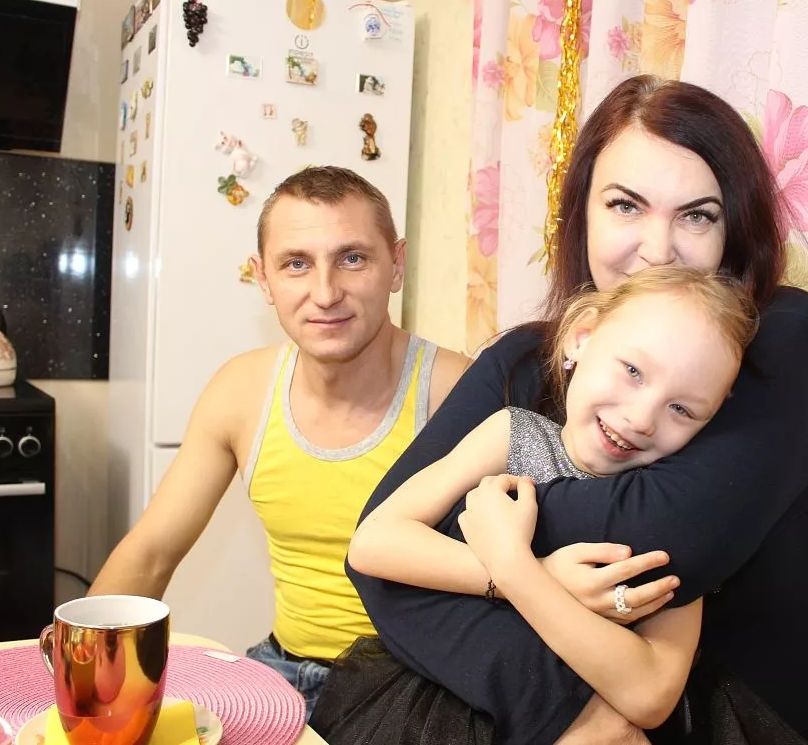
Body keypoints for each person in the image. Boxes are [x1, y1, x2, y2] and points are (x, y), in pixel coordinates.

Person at [335, 76, 808, 744]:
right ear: (582, 214)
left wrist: (482, 532)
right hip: (522, 708)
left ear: (736, 229)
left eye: (697, 215)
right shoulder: (522, 360)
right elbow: (376, 560)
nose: (658, 249)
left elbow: (664, 540)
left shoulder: (775, 338)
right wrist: (573, 712)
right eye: (626, 205)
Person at [88, 166, 470, 720]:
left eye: (352, 258)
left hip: (414, 689)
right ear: (263, 279)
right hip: (281, 673)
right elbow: (149, 554)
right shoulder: (240, 391)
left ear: (396, 265)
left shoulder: (459, 395)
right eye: (296, 264)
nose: (325, 293)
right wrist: (80, 675)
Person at [317, 267, 759, 742]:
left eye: (682, 409)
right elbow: (373, 543)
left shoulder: (669, 512)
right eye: (633, 371)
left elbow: (650, 695)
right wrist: (545, 573)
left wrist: (519, 571)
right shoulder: (512, 436)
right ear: (582, 337)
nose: (641, 418)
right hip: (444, 704)